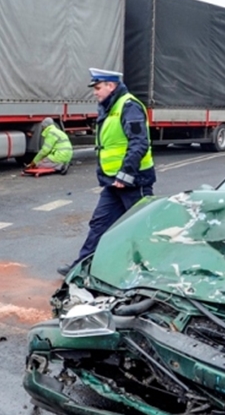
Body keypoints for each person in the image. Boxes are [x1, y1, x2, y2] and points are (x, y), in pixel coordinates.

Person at [58, 69, 156, 276]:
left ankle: (151, 272)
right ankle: (82, 267)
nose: (95, 92)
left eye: (98, 87)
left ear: (111, 86)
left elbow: (139, 143)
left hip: (134, 182)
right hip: (113, 182)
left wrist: (125, 174)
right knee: (99, 223)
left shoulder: (129, 106)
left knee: (142, 228)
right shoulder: (110, 107)